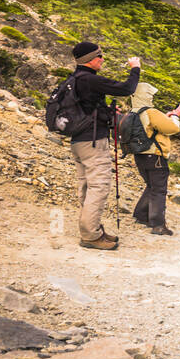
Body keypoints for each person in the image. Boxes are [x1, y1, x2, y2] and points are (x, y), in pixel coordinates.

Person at [69, 42, 139, 250]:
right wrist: (135, 68)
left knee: (86, 185)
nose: (102, 59)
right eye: (100, 56)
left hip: (78, 140)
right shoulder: (90, 79)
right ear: (90, 59)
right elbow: (127, 88)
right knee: (99, 186)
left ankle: (93, 229)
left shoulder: (74, 79)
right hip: (93, 141)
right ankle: (90, 235)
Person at [123, 82, 180, 235]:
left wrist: (165, 117)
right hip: (155, 156)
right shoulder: (151, 112)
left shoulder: (133, 111)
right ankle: (158, 225)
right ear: (146, 95)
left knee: (151, 185)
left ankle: (141, 215)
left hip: (139, 155)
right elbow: (173, 128)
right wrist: (175, 116)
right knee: (159, 190)